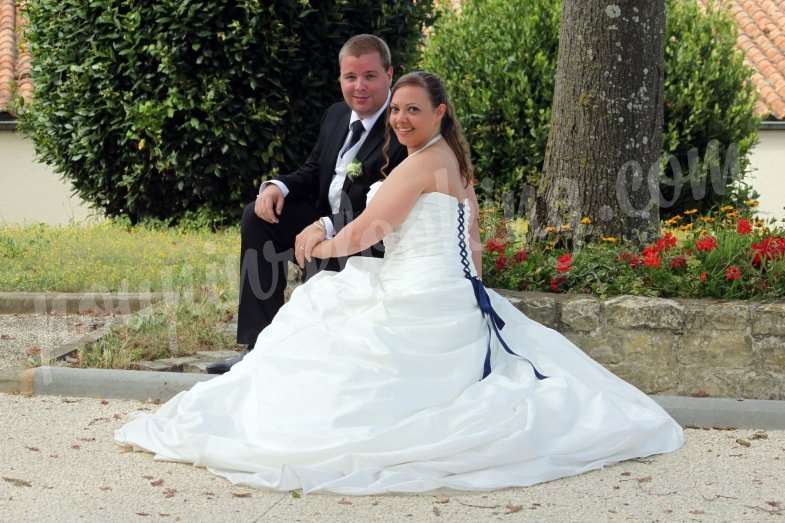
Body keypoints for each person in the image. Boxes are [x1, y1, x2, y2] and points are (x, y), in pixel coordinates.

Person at [116, 71, 684, 495]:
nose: (401, 119)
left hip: (417, 293)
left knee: (325, 311)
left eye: (413, 110)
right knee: (331, 312)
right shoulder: (452, 162)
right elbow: (474, 246)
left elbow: (367, 231)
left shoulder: (418, 165)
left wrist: (315, 245)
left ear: (440, 112)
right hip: (448, 292)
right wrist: (474, 299)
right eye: (397, 112)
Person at [209, 34, 408, 374]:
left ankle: (309, 349)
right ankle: (258, 347)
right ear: (340, 78)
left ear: (389, 75)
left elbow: (387, 207)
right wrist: (278, 186)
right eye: (350, 77)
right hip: (323, 216)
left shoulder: (402, 125)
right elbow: (315, 168)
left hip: (368, 235)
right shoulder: (335, 115)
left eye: (370, 76)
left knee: (324, 251)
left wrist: (327, 226)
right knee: (257, 218)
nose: (359, 86)